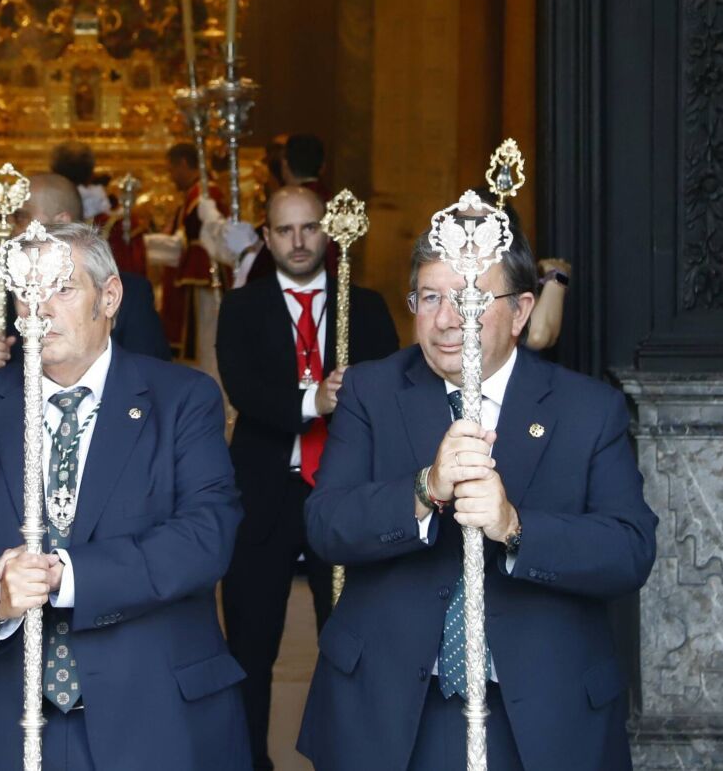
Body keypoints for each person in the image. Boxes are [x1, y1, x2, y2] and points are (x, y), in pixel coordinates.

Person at [299, 215, 656, 771]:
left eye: (470, 299)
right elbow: (326, 525)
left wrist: (515, 527)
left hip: (541, 713)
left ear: (521, 311)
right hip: (391, 711)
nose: (447, 320)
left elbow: (629, 551)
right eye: (430, 297)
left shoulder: (587, 408)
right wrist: (423, 490)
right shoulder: (371, 391)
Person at [0, 222, 251, 770]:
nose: (39, 308)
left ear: (109, 297)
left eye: (62, 289)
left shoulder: (181, 399)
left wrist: (66, 576)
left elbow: (206, 537)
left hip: (152, 716)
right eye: (28, 289)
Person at [216, 186, 400, 770]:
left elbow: (392, 391)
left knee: (348, 644)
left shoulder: (364, 306)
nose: (298, 241)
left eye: (309, 227)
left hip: (342, 498)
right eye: (284, 230)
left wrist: (355, 394)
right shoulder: (241, 308)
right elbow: (244, 390)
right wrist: (312, 400)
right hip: (265, 496)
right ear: (266, 238)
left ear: (329, 231)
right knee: (249, 649)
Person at [0, 172, 171, 386]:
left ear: (61, 221)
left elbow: (153, 380)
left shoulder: (129, 293)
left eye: (19, 216)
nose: (8, 227)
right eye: (23, 293)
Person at [156, 142, 221, 359]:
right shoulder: (196, 191)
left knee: (206, 337)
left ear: (183, 164)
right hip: (197, 273)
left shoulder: (204, 192)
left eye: (172, 170)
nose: (171, 177)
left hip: (204, 275)